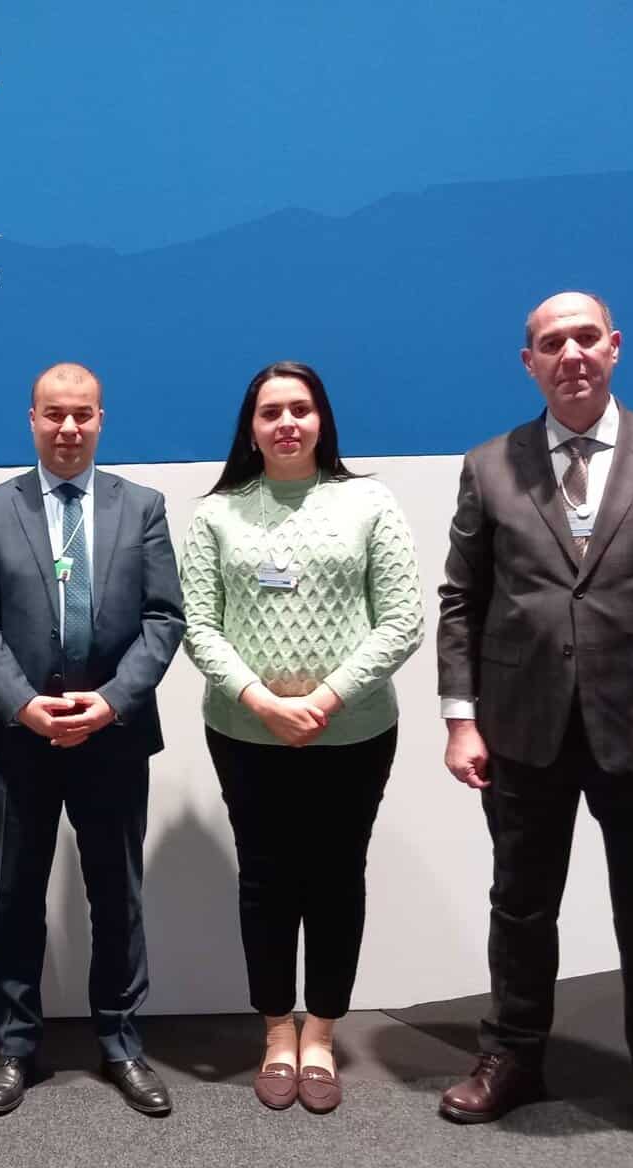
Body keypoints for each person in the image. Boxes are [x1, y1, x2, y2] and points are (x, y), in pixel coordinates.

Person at [436, 292, 633, 1168]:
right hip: (522, 727)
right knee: (520, 906)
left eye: (583, 338)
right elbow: (462, 600)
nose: (569, 353)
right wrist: (461, 719)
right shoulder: (489, 464)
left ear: (614, 347)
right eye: (550, 343)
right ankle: (513, 1057)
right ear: (527, 362)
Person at [179, 361, 422, 1114]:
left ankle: (321, 1033)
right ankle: (276, 1030)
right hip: (245, 733)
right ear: (250, 429)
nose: (286, 423)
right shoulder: (218, 514)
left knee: (337, 877)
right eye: (270, 412)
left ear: (322, 420)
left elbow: (403, 620)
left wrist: (324, 698)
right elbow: (199, 627)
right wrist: (261, 701)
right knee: (265, 879)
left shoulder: (368, 503)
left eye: (300, 409)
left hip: (354, 733)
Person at [0, 362, 185, 1116]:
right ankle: (15, 1046)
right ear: (32, 419)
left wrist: (112, 702)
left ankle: (121, 1041)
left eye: (82, 414)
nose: (68, 428)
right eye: (54, 414)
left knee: (117, 897)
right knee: (15, 898)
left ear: (100, 420)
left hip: (113, 737)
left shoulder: (141, 505)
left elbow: (164, 618)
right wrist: (24, 705)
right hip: (19, 739)